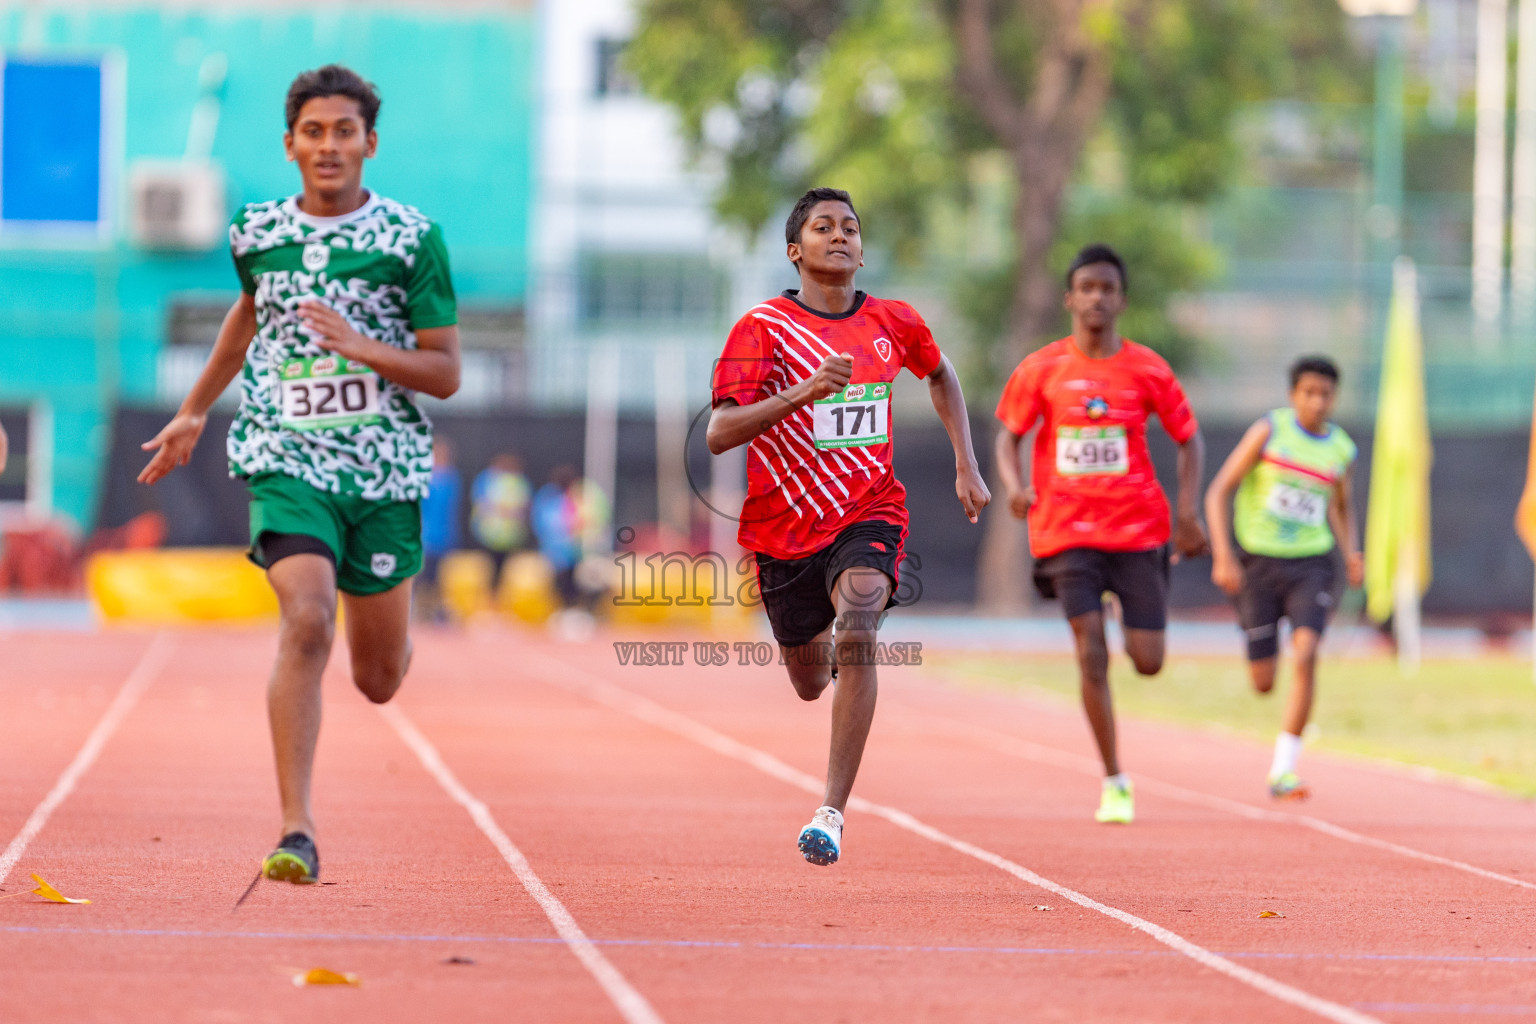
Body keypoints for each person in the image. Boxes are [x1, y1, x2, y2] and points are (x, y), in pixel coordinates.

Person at [138, 65, 460, 883]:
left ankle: (393, 632)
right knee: (309, 619)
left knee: (379, 679)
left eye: (343, 131)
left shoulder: (410, 238)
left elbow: (445, 370)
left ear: (369, 143)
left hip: (382, 469)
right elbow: (247, 318)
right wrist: (195, 408)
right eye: (313, 132)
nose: (328, 146)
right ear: (290, 145)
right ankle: (297, 830)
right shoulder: (255, 231)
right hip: (286, 455)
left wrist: (361, 348)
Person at [708, 186, 990, 866]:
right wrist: (805, 389)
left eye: (851, 228)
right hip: (782, 531)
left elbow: (940, 371)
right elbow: (719, 433)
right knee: (810, 681)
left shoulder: (895, 321)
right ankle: (830, 655)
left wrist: (967, 464)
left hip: (869, 512)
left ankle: (830, 812)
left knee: (859, 627)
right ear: (794, 250)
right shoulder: (762, 329)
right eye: (823, 226)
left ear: (862, 253)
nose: (840, 235)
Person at [994, 243, 1207, 825]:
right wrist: (1014, 485)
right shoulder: (1041, 369)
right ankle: (1115, 779)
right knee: (1090, 652)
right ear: (1069, 298)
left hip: (1139, 531)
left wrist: (1188, 513)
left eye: (1106, 288)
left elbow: (1190, 438)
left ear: (1121, 299)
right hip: (1067, 530)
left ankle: (1128, 616)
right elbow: (1007, 435)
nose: (1095, 297)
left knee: (1147, 661)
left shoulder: (1147, 369)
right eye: (1086, 287)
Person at [1204, 355, 1361, 800]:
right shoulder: (1269, 431)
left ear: (1334, 398)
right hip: (1257, 562)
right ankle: (1258, 646)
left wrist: (1351, 552)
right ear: (1294, 395)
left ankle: (1284, 770)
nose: (1317, 402)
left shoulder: (1341, 450)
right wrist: (1223, 557)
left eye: (1325, 394)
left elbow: (1341, 505)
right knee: (1263, 681)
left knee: (1308, 651)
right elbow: (1218, 492)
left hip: (1311, 562)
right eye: (1308, 393)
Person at [418, 436, 463, 620]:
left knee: (439, 579)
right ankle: (421, 611)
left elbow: (452, 509)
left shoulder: (452, 478)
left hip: (444, 536)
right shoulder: (423, 477)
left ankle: (434, 612)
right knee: (422, 577)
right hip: (425, 536)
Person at [470, 451, 531, 582]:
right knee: (488, 569)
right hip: (489, 534)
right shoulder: (487, 479)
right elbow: (481, 503)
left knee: (505, 571)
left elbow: (523, 506)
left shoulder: (519, 482)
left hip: (509, 536)